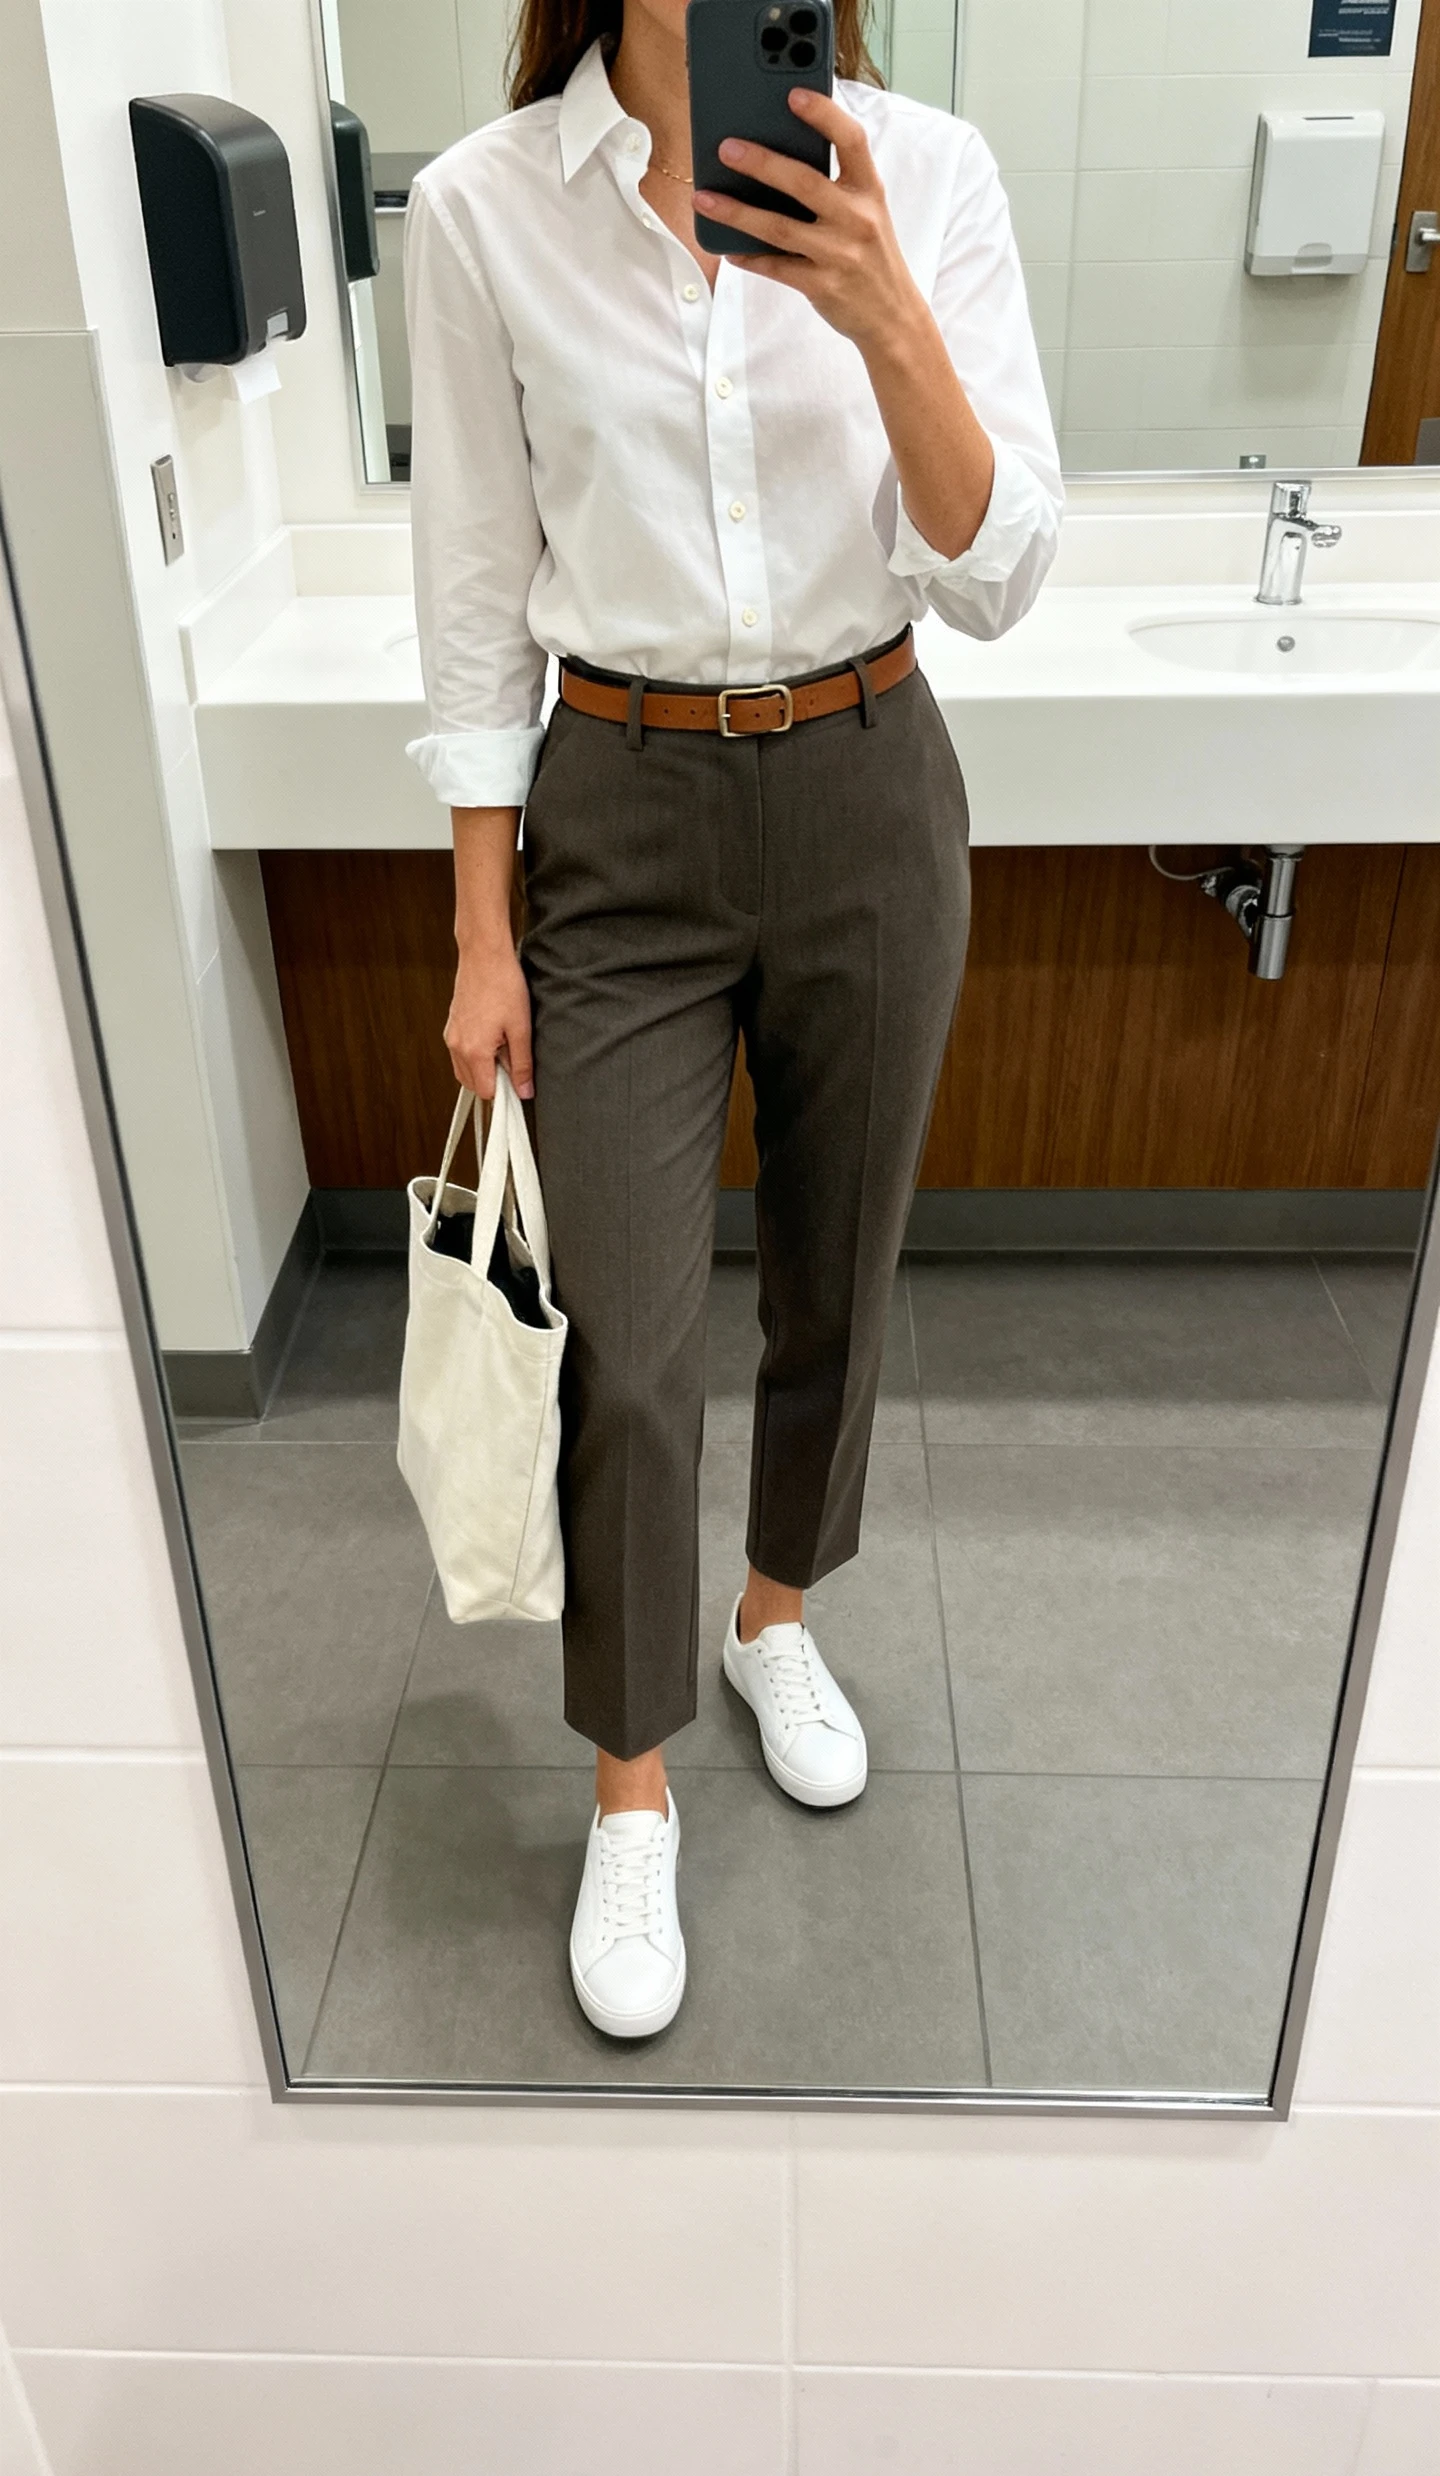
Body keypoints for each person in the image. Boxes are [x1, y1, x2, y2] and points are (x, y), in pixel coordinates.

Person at [402, 0, 1062, 2039]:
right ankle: (627, 1777)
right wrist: (481, 931)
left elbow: (1003, 565)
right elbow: (472, 589)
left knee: (839, 1277)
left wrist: (878, 309)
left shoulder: (926, 175)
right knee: (626, 1337)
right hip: (619, 805)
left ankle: (779, 1614)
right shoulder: (483, 206)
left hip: (871, 775)